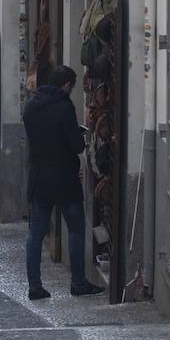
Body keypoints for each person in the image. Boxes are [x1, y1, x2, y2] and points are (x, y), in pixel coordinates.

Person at [23, 65, 105, 300]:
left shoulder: (31, 107)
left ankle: (35, 286)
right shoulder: (64, 107)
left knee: (36, 233)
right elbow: (76, 146)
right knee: (77, 229)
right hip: (65, 177)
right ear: (67, 85)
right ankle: (78, 283)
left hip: (39, 177)